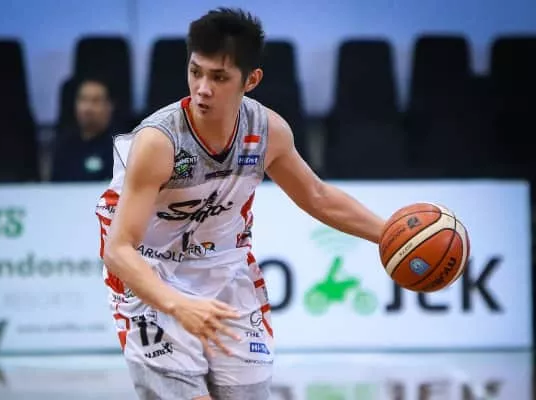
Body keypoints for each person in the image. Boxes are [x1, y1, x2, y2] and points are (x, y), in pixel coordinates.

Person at [95, 7, 385, 400]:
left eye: (219, 77)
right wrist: (177, 305)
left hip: (225, 270)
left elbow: (317, 196)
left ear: (251, 80)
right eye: (196, 72)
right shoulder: (159, 142)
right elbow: (118, 250)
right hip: (150, 275)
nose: (202, 88)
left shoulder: (268, 131)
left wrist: (389, 235)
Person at [51, 77, 115, 182]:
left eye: (95, 101)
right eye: (83, 100)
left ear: (109, 106)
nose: (87, 108)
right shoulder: (63, 145)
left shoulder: (120, 147)